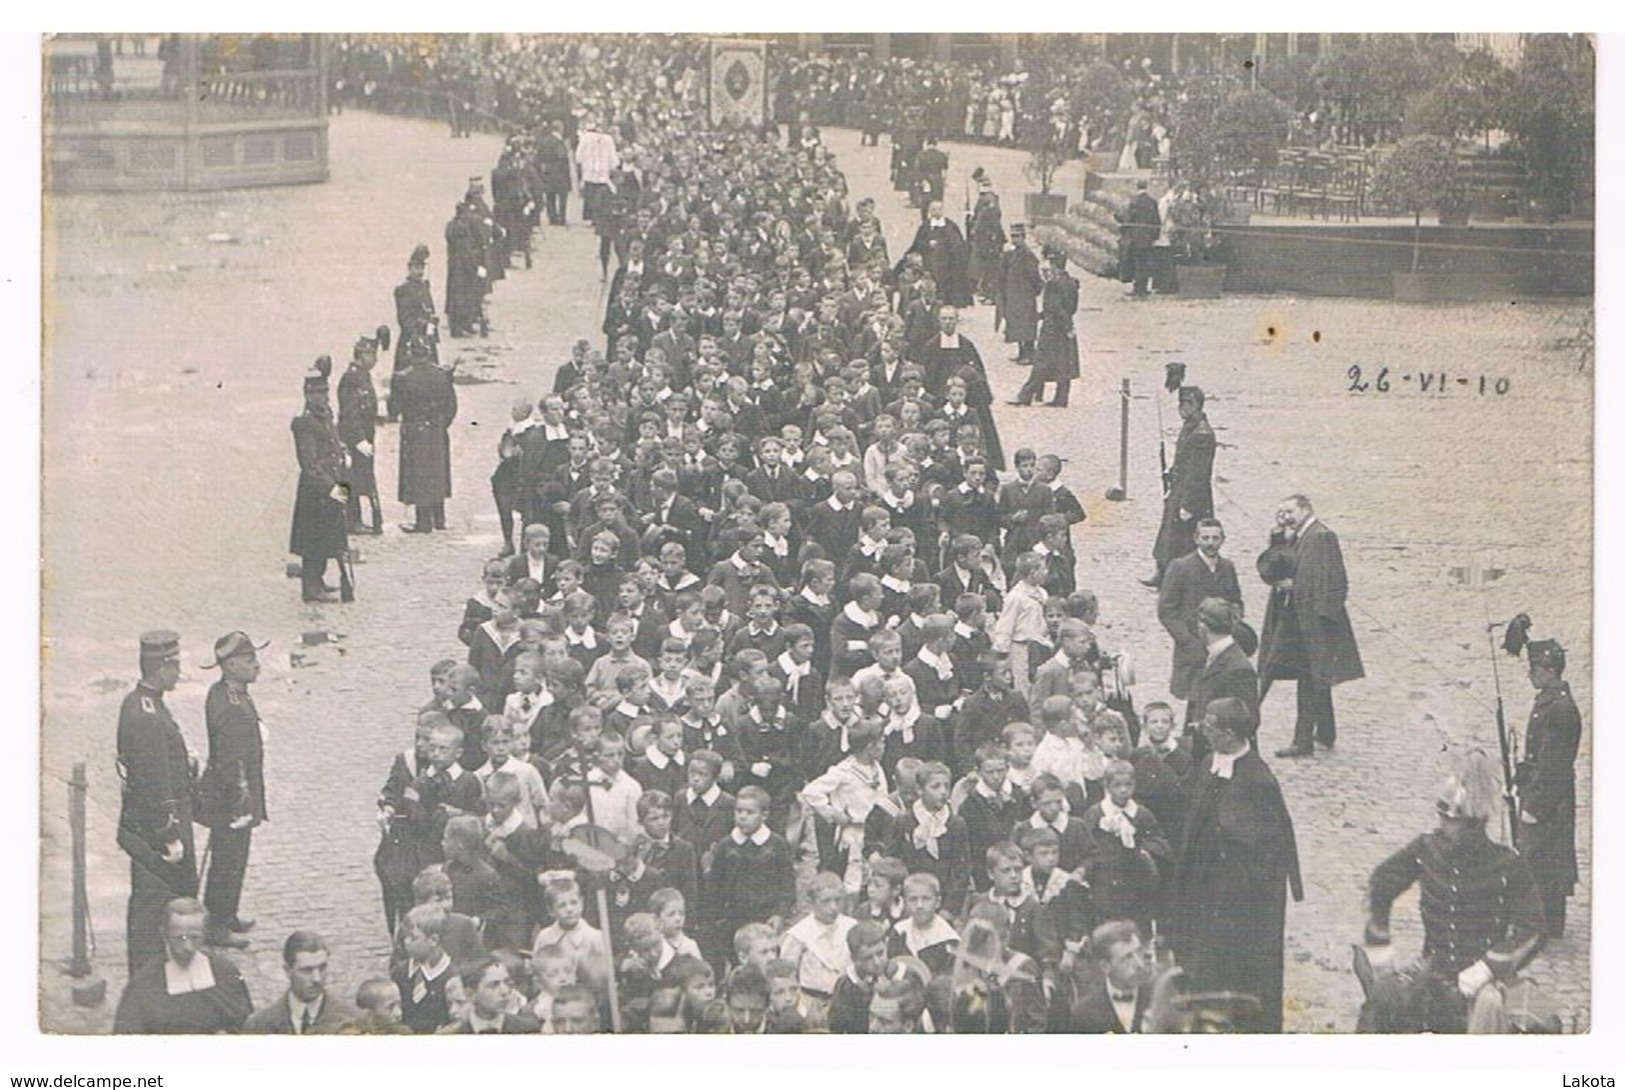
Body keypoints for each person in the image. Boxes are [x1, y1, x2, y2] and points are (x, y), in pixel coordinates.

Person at [1364, 750, 1546, 1033]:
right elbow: (1381, 884)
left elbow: (1533, 929)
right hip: (1432, 974)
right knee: (1379, 1015)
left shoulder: (1507, 864)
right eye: (1442, 816)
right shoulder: (1426, 849)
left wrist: (1486, 969)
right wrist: (1381, 952)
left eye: (1452, 820)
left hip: (1483, 986)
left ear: (1475, 822)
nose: (1443, 824)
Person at [1170, 697, 1302, 1033]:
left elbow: (1268, 854)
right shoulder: (1208, 764)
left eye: (1211, 726)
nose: (1204, 731)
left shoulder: (1258, 781)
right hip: (1202, 889)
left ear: (1229, 733)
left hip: (1235, 901)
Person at [116, 631, 198, 975]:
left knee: (153, 905)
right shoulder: (148, 716)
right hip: (156, 833)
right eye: (175, 665)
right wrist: (170, 835)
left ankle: (153, 973)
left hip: (145, 827)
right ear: (162, 667)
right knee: (157, 907)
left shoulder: (139, 702)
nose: (179, 672)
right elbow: (153, 782)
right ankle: (148, 980)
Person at [1273, 494, 1364, 758]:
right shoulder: (1303, 535)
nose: (1286, 517)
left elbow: (1335, 581)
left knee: (1308, 680)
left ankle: (1302, 743)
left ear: (1305, 509)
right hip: (1310, 620)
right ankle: (1325, 732)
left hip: (1316, 623)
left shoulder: (1321, 536)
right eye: (1282, 512)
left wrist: (1321, 620)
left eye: (1289, 511)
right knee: (1317, 678)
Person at [198, 631, 269, 950]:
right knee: (228, 859)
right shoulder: (230, 705)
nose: (257, 665)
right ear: (229, 666)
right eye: (249, 660)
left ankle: (227, 913)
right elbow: (231, 762)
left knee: (233, 858)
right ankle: (217, 924)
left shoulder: (227, 693)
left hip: (232, 793)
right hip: (230, 798)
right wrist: (241, 803)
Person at [1516, 639, 1582, 937]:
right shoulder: (1550, 701)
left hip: (1550, 799)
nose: (1530, 675)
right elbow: (1538, 755)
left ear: (1550, 670)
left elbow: (1554, 764)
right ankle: (1545, 923)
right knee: (1543, 859)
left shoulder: (1560, 708)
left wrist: (1535, 806)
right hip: (1543, 791)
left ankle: (1543, 925)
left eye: (1534, 669)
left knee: (1542, 859)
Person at [113, 898, 253, 1034]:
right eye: (180, 938)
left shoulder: (225, 972)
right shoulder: (144, 983)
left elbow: (245, 1025)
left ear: (205, 934)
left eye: (195, 937)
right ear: (165, 935)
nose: (188, 947)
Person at [1158, 519, 1244, 707]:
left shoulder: (1227, 567)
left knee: (1221, 702)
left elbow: (1236, 601)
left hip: (1222, 649)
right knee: (1195, 704)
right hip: (1193, 649)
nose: (1210, 543)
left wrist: (1234, 623)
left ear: (1223, 540)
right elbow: (1166, 610)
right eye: (1205, 538)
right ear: (1196, 539)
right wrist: (1187, 640)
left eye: (1215, 538)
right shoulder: (1181, 567)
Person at [289, 357, 351, 602]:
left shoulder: (324, 416)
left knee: (327, 536)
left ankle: (320, 581)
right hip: (316, 491)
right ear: (307, 394)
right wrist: (332, 488)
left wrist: (342, 451)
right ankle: (310, 587)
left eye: (324, 392)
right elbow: (309, 464)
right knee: (313, 541)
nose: (323, 397)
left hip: (332, 484)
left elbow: (332, 444)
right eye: (317, 393)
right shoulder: (305, 422)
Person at [1145, 386, 1215, 589]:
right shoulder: (1190, 426)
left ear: (1194, 405)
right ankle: (1164, 573)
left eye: (1183, 405)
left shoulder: (1202, 434)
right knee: (1169, 535)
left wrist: (1188, 504)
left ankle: (1179, 580)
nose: (1180, 409)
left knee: (1183, 540)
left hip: (1191, 494)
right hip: (1179, 488)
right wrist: (1171, 472)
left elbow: (1198, 474)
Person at [395, 341, 458, 534]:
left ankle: (423, 522)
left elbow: (394, 408)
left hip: (415, 430)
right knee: (437, 472)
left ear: (411, 354)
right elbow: (452, 407)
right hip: (437, 430)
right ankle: (439, 518)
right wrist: (440, 424)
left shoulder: (404, 377)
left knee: (419, 474)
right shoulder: (441, 375)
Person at [243, 931, 356, 1034]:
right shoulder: (259, 1025)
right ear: (288, 971)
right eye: (306, 970)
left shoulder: (352, 1020)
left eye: (322, 968)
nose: (317, 979)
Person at [1011, 247, 1079, 409]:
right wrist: (1068, 325)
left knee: (1041, 361)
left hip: (1052, 329)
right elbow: (1070, 308)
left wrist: (1047, 317)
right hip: (1065, 327)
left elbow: (1055, 308)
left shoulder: (1053, 284)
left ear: (1054, 265)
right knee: (1065, 362)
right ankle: (1061, 398)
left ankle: (1025, 395)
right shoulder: (1071, 283)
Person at [1067, 919, 1156, 1033]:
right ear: (1105, 966)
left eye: (1139, 952)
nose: (1139, 964)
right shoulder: (1083, 1014)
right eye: (1127, 957)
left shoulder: (1161, 1000)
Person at [337, 332, 383, 535]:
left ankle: (353, 519)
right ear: (362, 354)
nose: (374, 359)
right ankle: (348, 520)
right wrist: (358, 439)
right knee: (348, 481)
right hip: (352, 438)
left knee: (359, 479)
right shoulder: (351, 378)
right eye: (371, 355)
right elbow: (349, 412)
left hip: (363, 435)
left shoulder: (362, 375)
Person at [389, 244, 438, 421]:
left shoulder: (424, 286)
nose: (420, 271)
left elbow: (429, 310)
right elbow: (404, 319)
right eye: (417, 267)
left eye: (422, 267)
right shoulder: (403, 290)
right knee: (404, 374)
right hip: (411, 340)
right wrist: (422, 326)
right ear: (409, 268)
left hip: (427, 339)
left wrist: (433, 323)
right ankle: (396, 410)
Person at [901, 200, 972, 308]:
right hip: (931, 264)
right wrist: (928, 245)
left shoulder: (950, 225)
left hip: (948, 265)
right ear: (930, 211)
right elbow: (917, 243)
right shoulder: (925, 227)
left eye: (939, 209)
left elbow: (958, 244)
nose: (936, 212)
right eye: (934, 209)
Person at [994, 222, 1042, 365]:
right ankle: (1021, 352)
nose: (1014, 239)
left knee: (1026, 326)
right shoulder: (1011, 255)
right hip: (1013, 297)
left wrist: (1031, 292)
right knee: (1015, 325)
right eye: (1013, 236)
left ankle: (1029, 354)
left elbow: (1035, 278)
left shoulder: (1028, 256)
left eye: (1017, 236)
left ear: (1023, 237)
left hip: (1025, 297)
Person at [1118, 179, 1160, 298]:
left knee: (1136, 262)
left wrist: (1123, 230)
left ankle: (1137, 288)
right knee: (1145, 263)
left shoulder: (1134, 201)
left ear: (1137, 187)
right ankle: (1144, 287)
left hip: (1135, 238)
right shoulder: (1152, 202)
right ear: (1146, 187)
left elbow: (1129, 219)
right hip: (1148, 238)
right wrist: (1155, 236)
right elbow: (1156, 220)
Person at [534, 119, 573, 226]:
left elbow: (538, 156)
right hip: (560, 173)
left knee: (550, 196)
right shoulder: (559, 142)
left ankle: (552, 217)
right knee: (562, 197)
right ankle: (561, 217)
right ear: (561, 129)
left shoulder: (545, 140)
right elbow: (562, 157)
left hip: (547, 172)